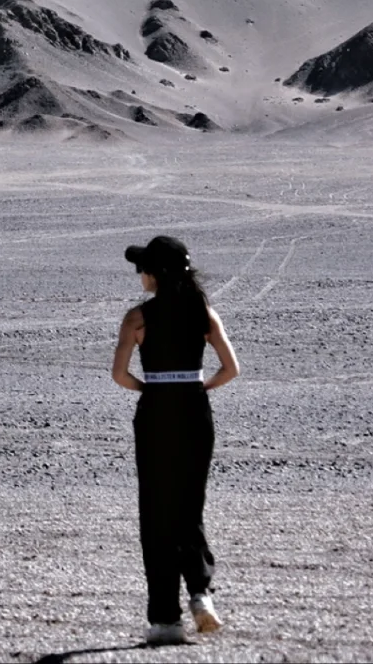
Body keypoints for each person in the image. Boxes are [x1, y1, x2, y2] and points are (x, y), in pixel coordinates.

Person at [111, 235, 240, 646]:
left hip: (156, 415)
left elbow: (119, 375)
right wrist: (195, 386)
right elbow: (230, 369)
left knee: (157, 512)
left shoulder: (138, 318)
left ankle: (165, 621)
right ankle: (200, 593)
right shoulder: (204, 313)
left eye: (142, 268)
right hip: (194, 412)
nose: (140, 275)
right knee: (189, 506)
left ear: (153, 274)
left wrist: (151, 389)